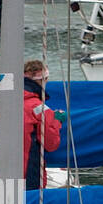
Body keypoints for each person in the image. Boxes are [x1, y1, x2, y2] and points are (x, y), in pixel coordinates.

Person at [23, 59, 61, 188]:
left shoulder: (2, 102)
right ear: (42, 80)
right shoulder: (39, 108)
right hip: (27, 172)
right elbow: (51, 144)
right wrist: (57, 121)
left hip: (2, 170)